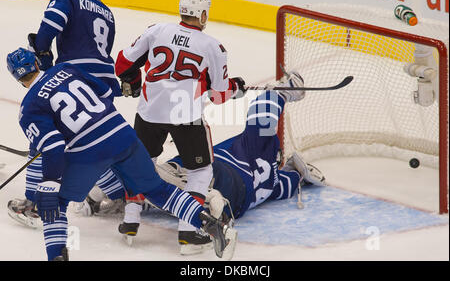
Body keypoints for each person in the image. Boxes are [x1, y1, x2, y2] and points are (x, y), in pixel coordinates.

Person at [5, 47, 237, 261]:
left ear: (16, 78)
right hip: (122, 135)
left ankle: (57, 256)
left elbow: (53, 145)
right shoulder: (64, 68)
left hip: (89, 153)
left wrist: (50, 182)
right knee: (158, 189)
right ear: (37, 62)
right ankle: (211, 225)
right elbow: (106, 92)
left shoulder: (28, 110)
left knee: (56, 204)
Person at [115, 71, 326, 255]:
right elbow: (291, 182)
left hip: (225, 177)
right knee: (184, 169)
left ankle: (130, 191)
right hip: (236, 200)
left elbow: (261, 115)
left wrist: (279, 93)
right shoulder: (275, 185)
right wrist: (298, 173)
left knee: (183, 167)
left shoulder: (259, 148)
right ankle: (187, 202)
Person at [114, 0, 247, 254]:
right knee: (200, 172)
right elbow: (220, 95)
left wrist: (134, 82)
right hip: (184, 114)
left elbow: (122, 63)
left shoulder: (156, 30)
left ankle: (130, 220)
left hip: (149, 111)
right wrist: (235, 87)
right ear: (203, 14)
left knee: (142, 163)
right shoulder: (213, 46)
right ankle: (188, 230)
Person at [7, 0, 126, 228]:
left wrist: (40, 51)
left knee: (43, 139)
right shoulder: (107, 12)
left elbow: (50, 26)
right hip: (103, 79)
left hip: (74, 76)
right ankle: (119, 195)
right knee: (91, 142)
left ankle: (35, 203)